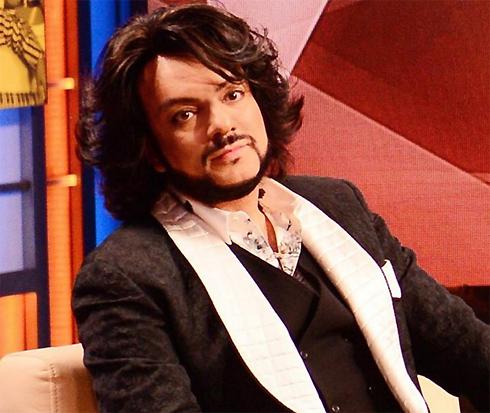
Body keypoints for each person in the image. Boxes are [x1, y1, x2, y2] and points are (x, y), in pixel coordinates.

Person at [73, 4, 489, 413]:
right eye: (185, 114)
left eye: (232, 94)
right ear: (150, 151)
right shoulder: (125, 275)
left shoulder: (340, 205)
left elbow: (467, 350)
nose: (222, 125)